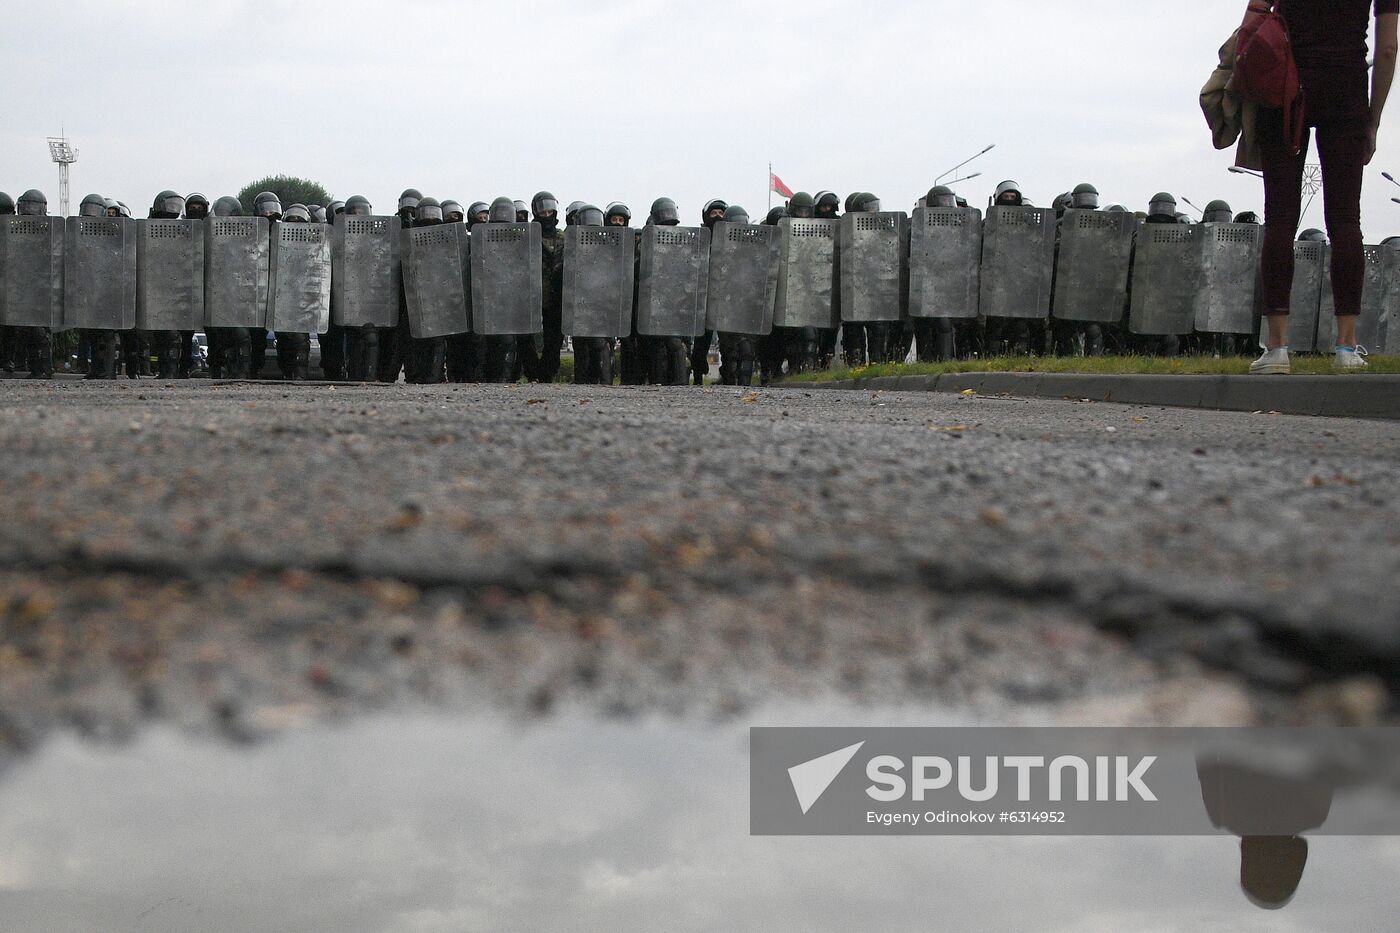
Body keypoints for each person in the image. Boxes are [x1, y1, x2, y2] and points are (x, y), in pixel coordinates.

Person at [1253, 0, 1396, 374]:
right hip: (1346, 92)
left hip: (1285, 88)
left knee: (1280, 218)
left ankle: (1277, 348)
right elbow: (1387, 48)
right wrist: (1373, 120)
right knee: (1346, 219)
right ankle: (1346, 349)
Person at [523, 190, 564, 383]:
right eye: (542, 212)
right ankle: (532, 371)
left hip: (555, 294)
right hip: (530, 292)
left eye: (550, 211)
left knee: (554, 338)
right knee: (524, 336)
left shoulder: (563, 237)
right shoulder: (527, 236)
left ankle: (547, 374)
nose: (547, 215)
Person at [14, 190, 55, 378]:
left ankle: (44, 368)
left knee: (39, 333)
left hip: (41, 290)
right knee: (27, 333)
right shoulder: (15, 230)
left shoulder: (49, 230)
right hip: (25, 289)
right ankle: (35, 368)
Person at [274, 204, 315, 380]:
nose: (296, 224)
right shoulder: (276, 241)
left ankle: (300, 375)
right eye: (292, 220)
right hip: (282, 300)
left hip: (304, 300)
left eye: (300, 221)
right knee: (284, 342)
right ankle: (287, 372)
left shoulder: (314, 244)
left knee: (300, 339)